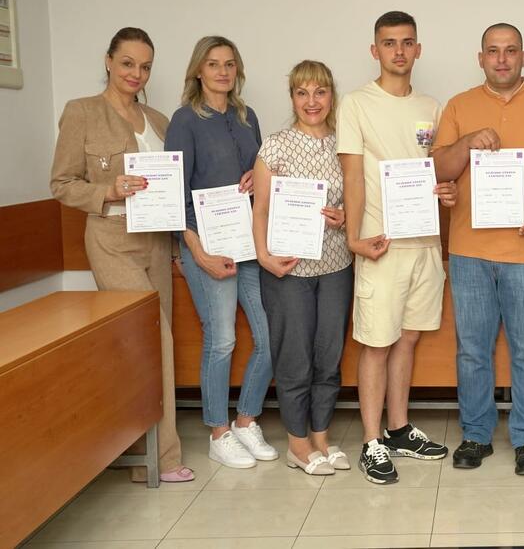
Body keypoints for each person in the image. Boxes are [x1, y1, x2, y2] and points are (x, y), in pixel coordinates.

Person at [50, 27, 193, 483]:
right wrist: (108, 190)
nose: (136, 73)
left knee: (153, 343)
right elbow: (62, 184)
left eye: (145, 66)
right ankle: (162, 457)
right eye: (128, 62)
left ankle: (145, 451)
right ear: (109, 60)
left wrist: (176, 244)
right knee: (150, 340)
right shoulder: (82, 112)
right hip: (112, 238)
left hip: (156, 241)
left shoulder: (159, 119)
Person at [431, 22, 524, 476]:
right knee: (472, 349)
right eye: (493, 51)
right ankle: (475, 434)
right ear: (480, 58)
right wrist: (467, 141)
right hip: (470, 250)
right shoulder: (459, 105)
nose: (502, 59)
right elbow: (439, 167)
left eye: (511, 51)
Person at [337, 11, 456, 485]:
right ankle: (371, 442)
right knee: (377, 343)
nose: (399, 51)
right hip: (380, 245)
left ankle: (399, 428)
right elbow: (351, 174)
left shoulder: (433, 105)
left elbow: (438, 170)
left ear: (418, 49)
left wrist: (446, 192)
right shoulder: (355, 104)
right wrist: (352, 239)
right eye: (389, 43)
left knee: (408, 337)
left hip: (424, 243)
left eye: (407, 42)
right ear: (375, 51)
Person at [165, 35, 277, 469]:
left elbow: (263, 175)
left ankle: (247, 420)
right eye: (213, 64)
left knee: (270, 337)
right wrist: (196, 250)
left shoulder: (248, 117)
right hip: (204, 245)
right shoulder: (184, 120)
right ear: (198, 70)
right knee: (223, 337)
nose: (223, 72)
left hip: (248, 242)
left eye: (230, 64)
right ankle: (218, 430)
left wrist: (256, 174)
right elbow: (174, 194)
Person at [251, 60, 352, 477]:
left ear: (331, 96)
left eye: (320, 92)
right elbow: (259, 211)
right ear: (292, 97)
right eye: (302, 93)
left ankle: (321, 437)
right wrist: (262, 256)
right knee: (294, 359)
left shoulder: (345, 144)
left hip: (335, 266)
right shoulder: (274, 146)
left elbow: (359, 200)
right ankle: (297, 443)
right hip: (287, 269)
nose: (312, 102)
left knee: (328, 357)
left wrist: (344, 216)